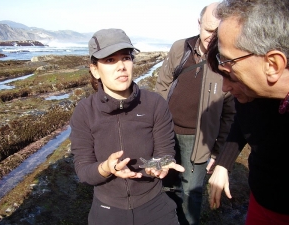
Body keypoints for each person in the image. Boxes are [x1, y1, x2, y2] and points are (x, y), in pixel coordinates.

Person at [69, 28, 185, 225]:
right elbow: (84, 171)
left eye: (126, 57)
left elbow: (165, 150)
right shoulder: (84, 111)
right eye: (110, 60)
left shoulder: (155, 104)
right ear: (95, 69)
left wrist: (159, 164)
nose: (121, 66)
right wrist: (106, 168)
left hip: (154, 205)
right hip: (107, 209)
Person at [205, 3, 289, 223]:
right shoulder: (251, 95)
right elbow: (242, 124)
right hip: (262, 202)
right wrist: (223, 162)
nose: (224, 87)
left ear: (272, 64)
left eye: (229, 66)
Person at [155, 2, 235, 225]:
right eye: (209, 29)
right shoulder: (180, 48)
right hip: (167, 133)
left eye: (218, 31)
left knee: (192, 192)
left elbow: (230, 113)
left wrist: (218, 152)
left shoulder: (227, 60)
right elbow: (162, 87)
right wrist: (156, 129)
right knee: (165, 185)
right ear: (199, 23)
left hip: (200, 141)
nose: (212, 36)